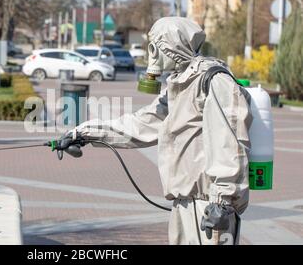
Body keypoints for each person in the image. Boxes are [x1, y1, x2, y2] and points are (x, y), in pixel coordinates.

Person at [64, 17, 252, 245]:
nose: (151, 54)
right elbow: (141, 124)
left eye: (154, 47)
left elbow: (230, 143)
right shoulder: (180, 85)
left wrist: (223, 201)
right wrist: (85, 132)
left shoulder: (214, 81)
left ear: (172, 47)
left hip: (211, 207)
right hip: (184, 203)